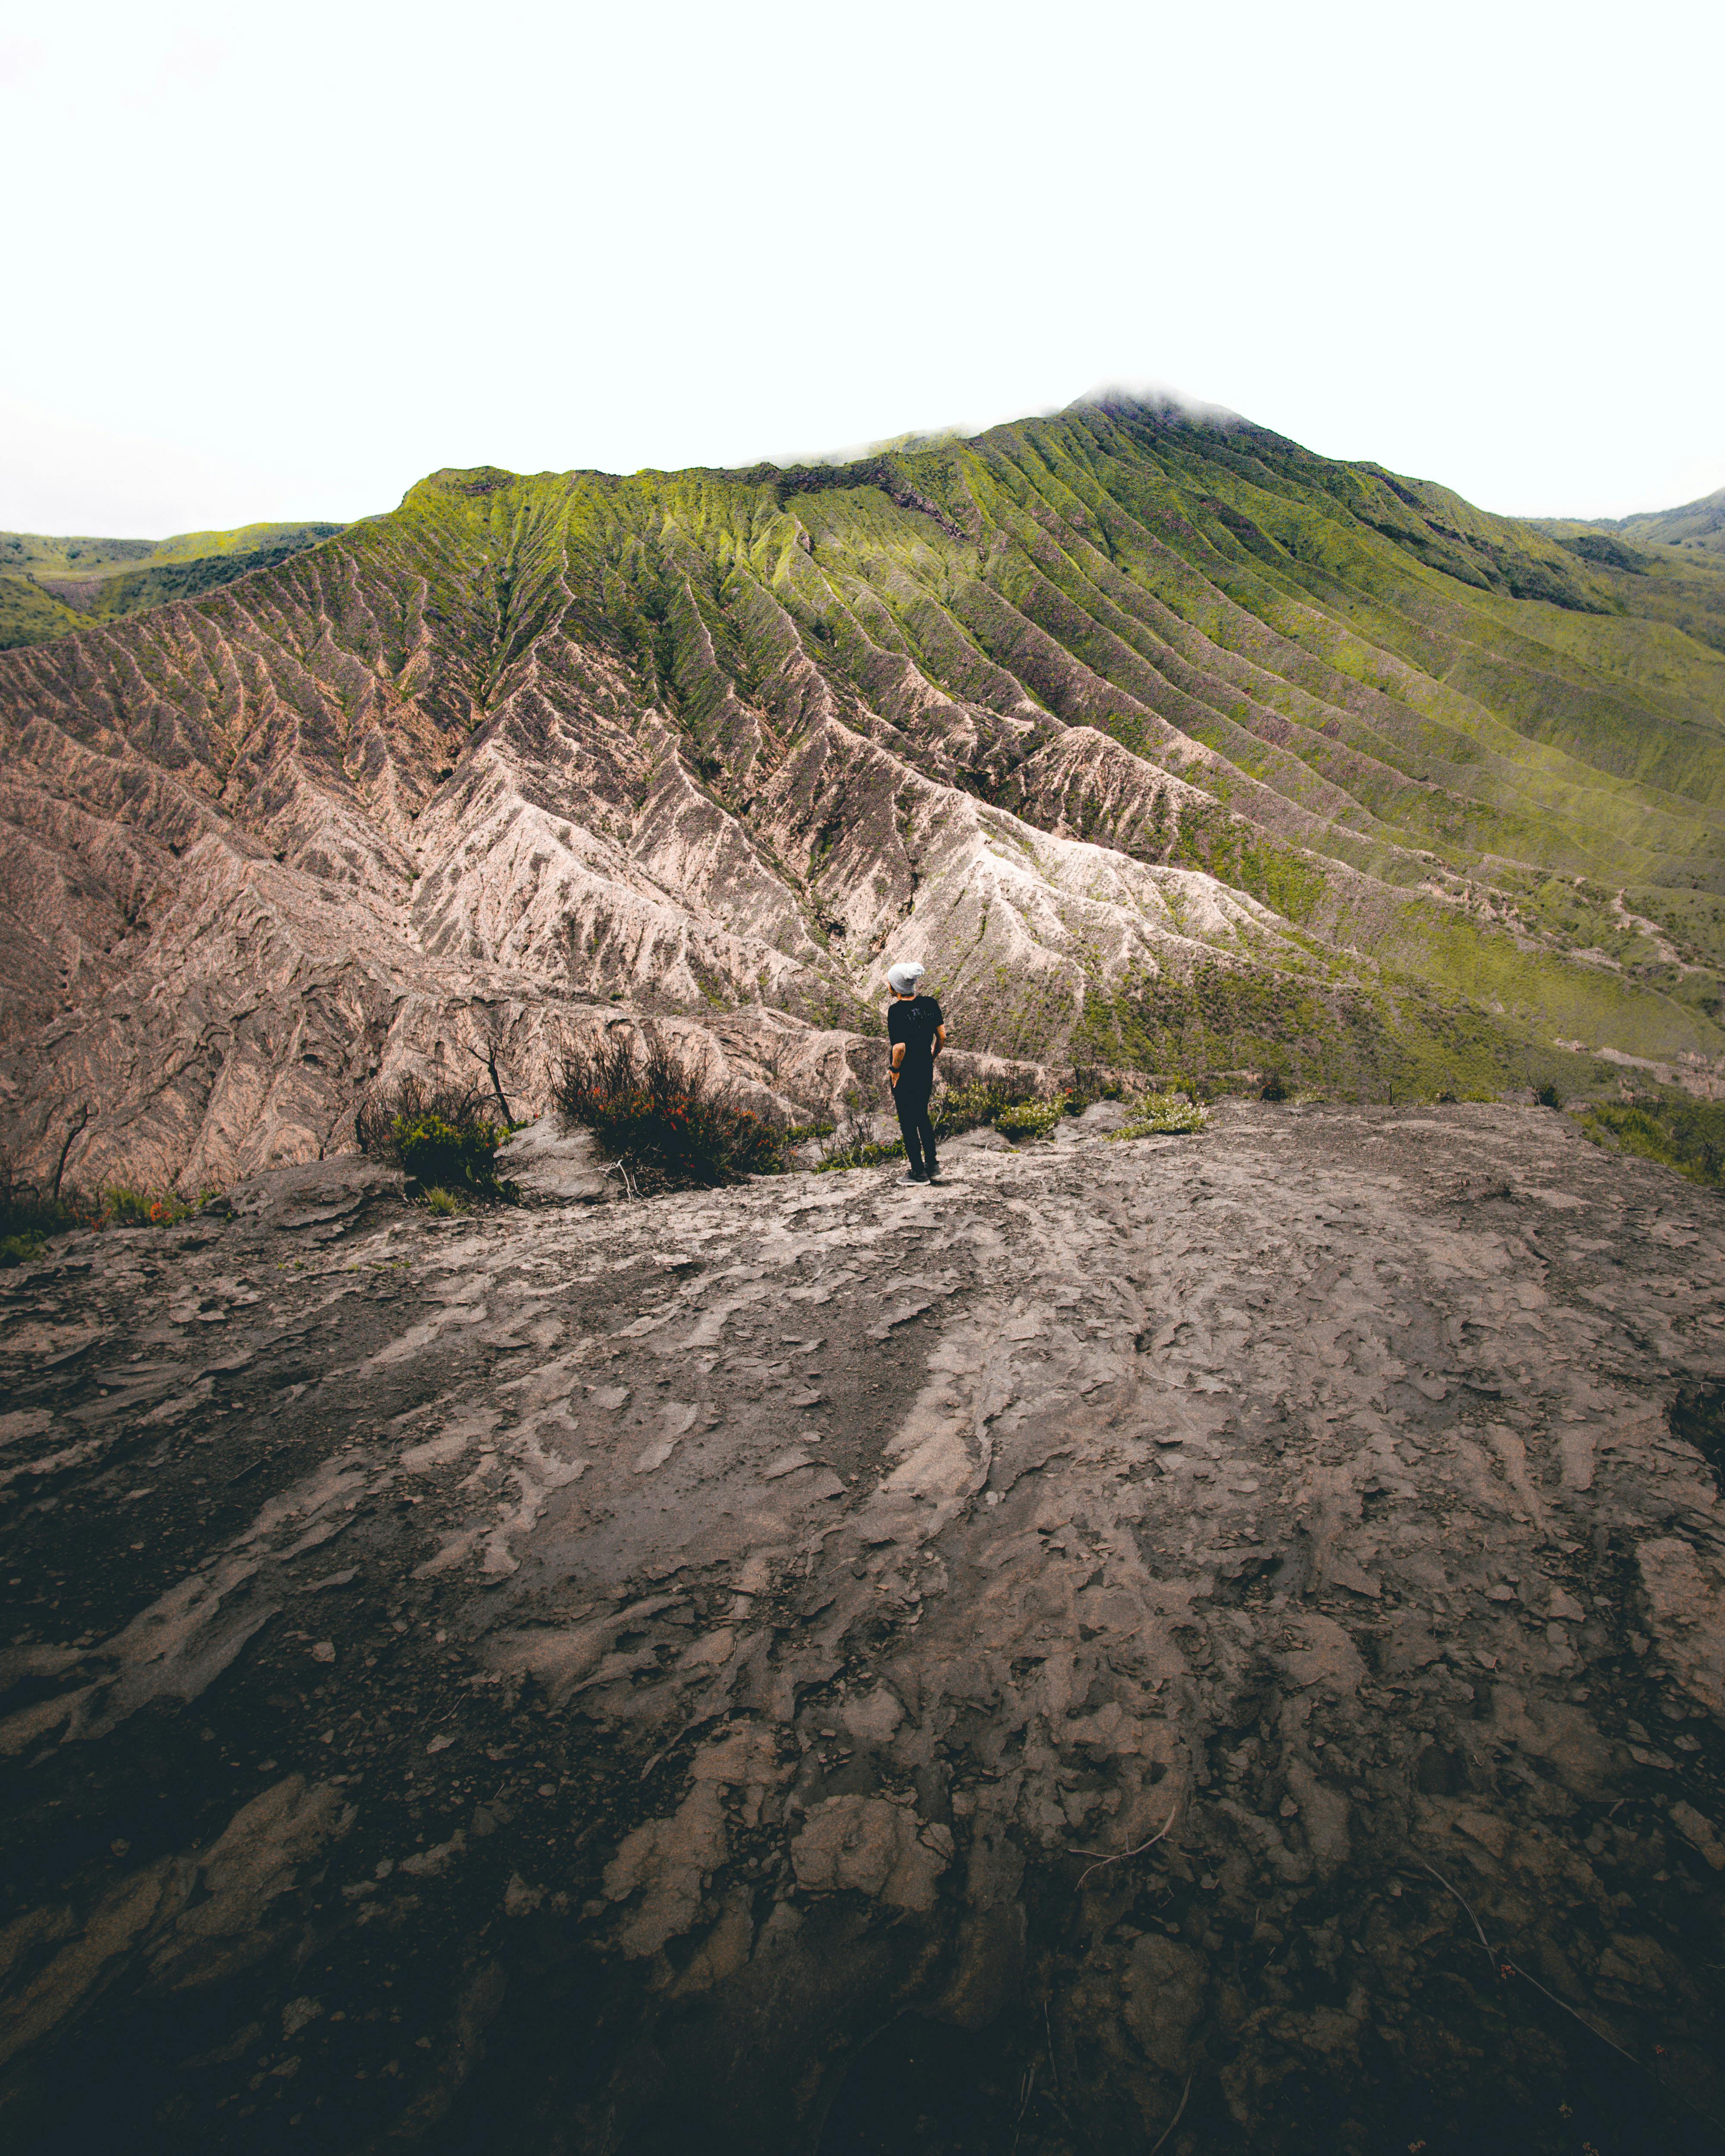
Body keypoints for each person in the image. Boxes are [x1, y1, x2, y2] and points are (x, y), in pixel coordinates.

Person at [885, 960, 945, 1183]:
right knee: (922, 1115)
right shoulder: (930, 1004)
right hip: (925, 1068)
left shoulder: (896, 1011)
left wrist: (895, 1070)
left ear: (896, 987)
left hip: (907, 1071)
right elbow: (942, 1036)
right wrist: (931, 1056)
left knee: (908, 1121)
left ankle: (918, 1172)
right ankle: (933, 1165)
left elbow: (899, 1047)